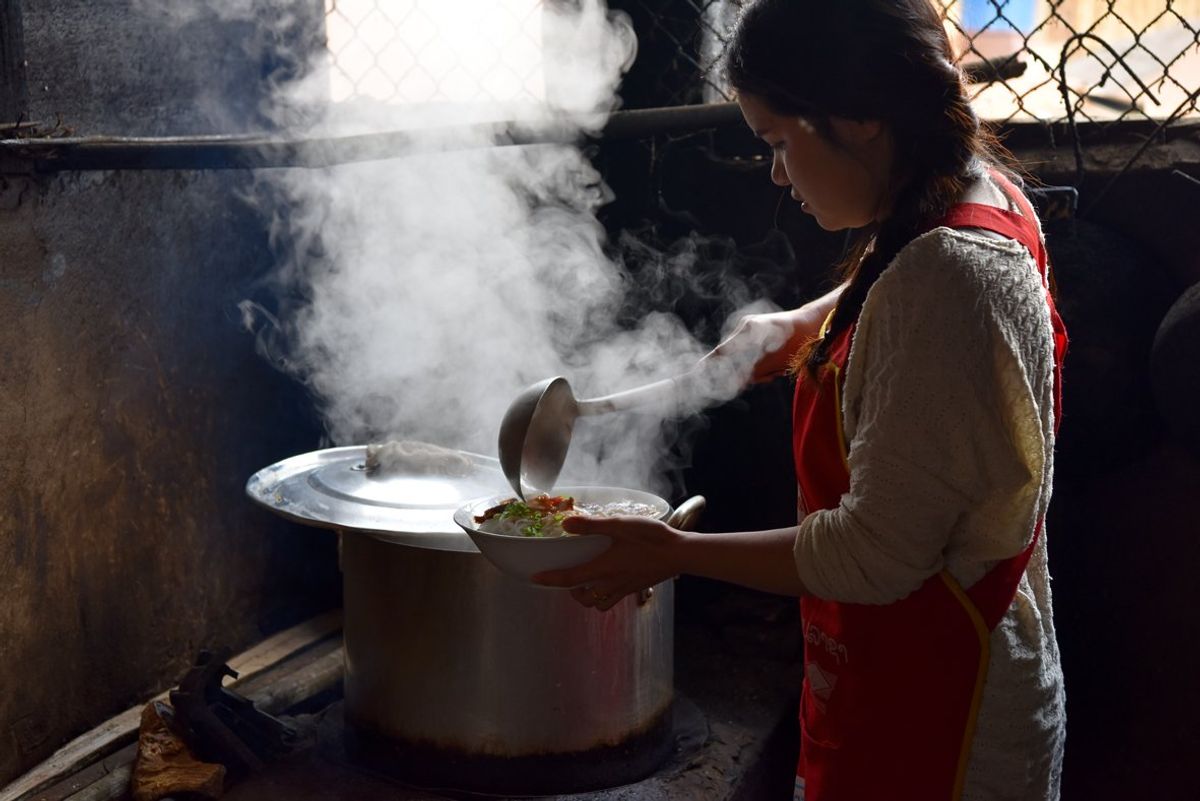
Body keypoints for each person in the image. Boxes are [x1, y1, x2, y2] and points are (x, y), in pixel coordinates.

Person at [534, 1, 1069, 799]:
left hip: (943, 728)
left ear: (859, 120)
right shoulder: (984, 194)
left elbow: (872, 556)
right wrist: (803, 322)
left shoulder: (946, 281)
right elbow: (911, 288)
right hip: (923, 672)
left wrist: (669, 553)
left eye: (780, 142)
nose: (777, 174)